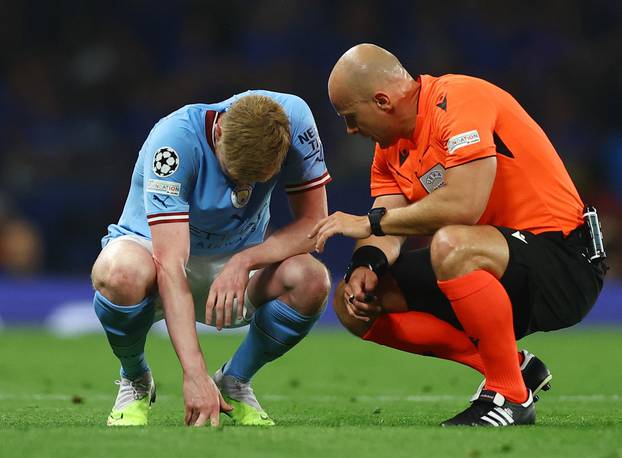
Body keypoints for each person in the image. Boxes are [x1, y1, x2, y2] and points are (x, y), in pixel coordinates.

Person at [309, 44, 607, 427]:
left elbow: (464, 204)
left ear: (382, 101)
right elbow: (387, 222)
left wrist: (370, 223)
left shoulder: (457, 99)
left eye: (351, 117)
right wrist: (367, 262)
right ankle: (515, 369)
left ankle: (510, 397)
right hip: (496, 265)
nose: (350, 130)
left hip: (564, 262)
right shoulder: (389, 154)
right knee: (352, 301)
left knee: (451, 243)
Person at [91, 91, 332, 427]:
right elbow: (170, 265)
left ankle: (234, 380)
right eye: (234, 173)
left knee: (312, 280)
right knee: (118, 272)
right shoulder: (174, 141)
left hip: (236, 262)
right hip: (155, 255)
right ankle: (135, 378)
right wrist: (194, 374)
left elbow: (314, 223)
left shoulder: (294, 120)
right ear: (218, 133)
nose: (243, 187)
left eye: (255, 181)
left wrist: (245, 259)